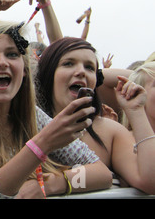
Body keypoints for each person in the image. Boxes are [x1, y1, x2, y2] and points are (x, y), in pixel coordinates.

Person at [0, 19, 112, 198]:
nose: (2, 62)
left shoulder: (34, 117)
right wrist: (41, 144)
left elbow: (102, 173)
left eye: (12, 54)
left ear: (24, 69)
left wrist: (54, 184)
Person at [35, 37, 155, 194]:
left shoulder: (109, 131)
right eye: (68, 63)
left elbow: (150, 181)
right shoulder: (25, 122)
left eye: (89, 67)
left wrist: (136, 111)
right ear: (48, 73)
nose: (81, 72)